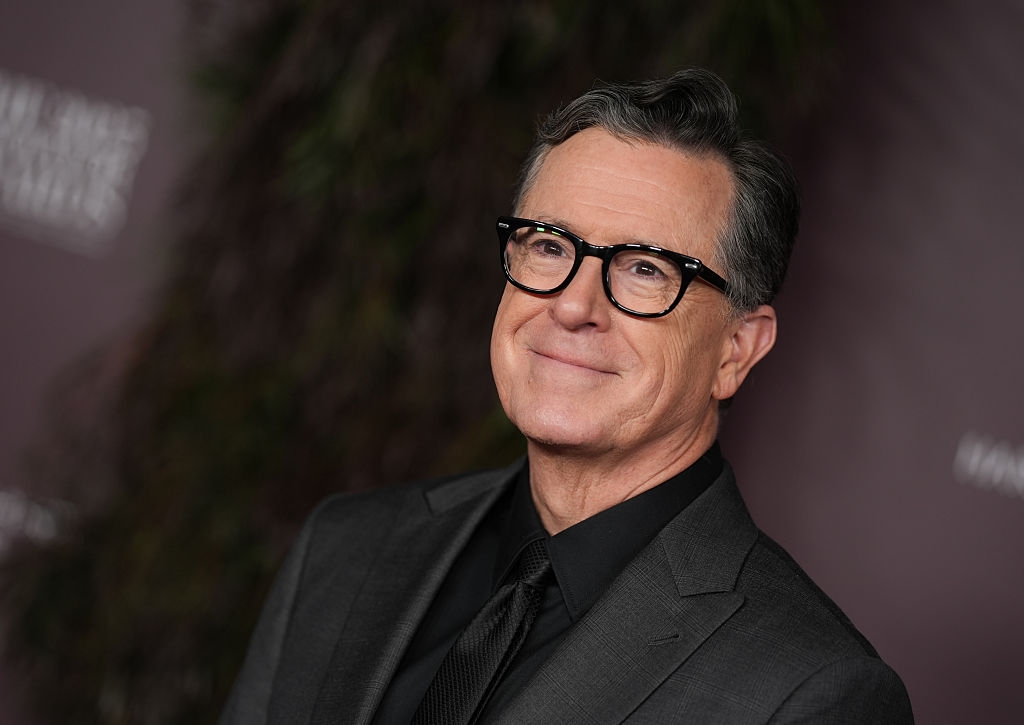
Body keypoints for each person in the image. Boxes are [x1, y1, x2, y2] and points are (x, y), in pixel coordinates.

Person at [220, 69, 914, 724]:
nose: (574, 306)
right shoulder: (344, 547)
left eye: (645, 269)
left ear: (736, 349)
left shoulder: (810, 692)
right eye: (551, 247)